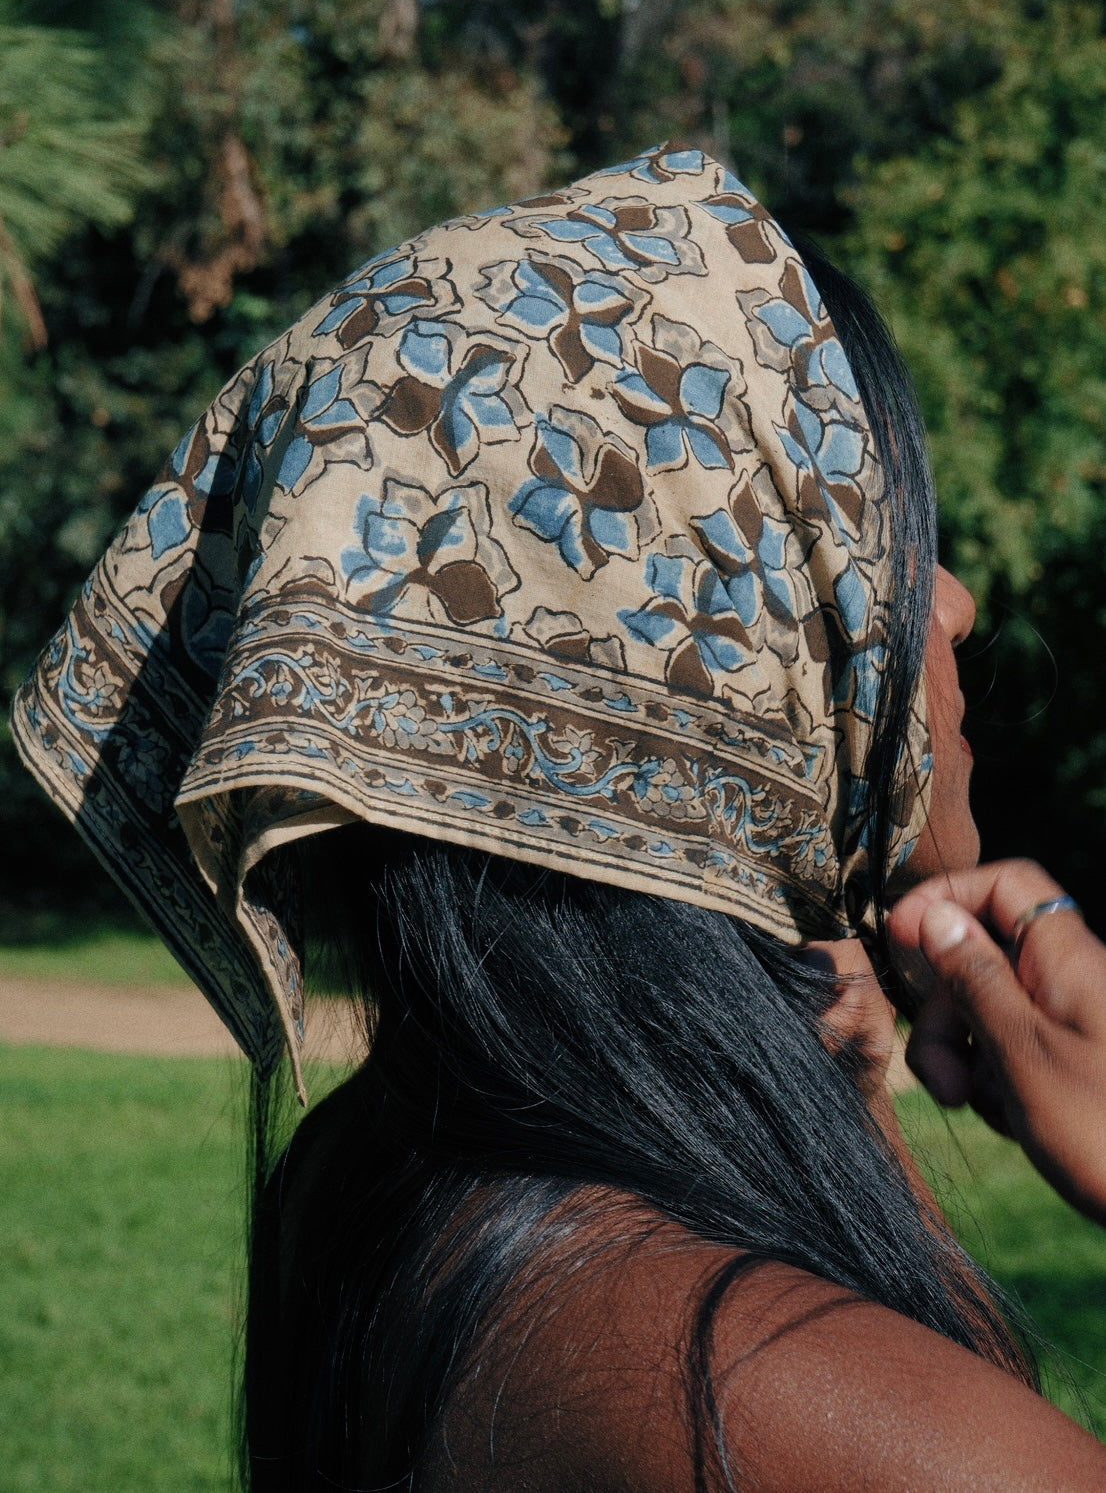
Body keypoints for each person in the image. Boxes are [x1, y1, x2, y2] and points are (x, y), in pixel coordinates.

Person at [11, 144, 1106, 1490]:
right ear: (730, 632)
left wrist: (832, 1072)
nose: (949, 606)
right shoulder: (855, 1427)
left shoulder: (376, 1180)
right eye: (881, 528)